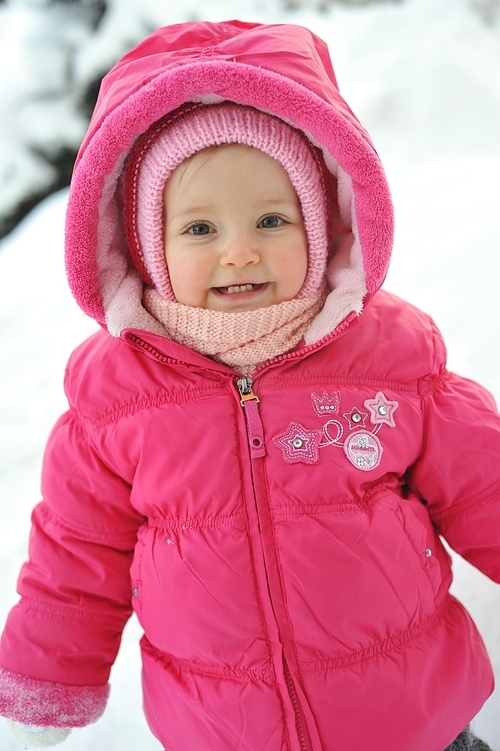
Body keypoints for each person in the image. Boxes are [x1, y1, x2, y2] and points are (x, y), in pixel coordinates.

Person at [0, 19, 498, 751]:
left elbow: (486, 485)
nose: (240, 249)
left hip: (414, 723)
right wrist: (48, 680)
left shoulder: (389, 362)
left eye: (271, 218)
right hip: (225, 730)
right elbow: (76, 558)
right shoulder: (115, 402)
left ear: (322, 227)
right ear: (146, 246)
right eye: (199, 229)